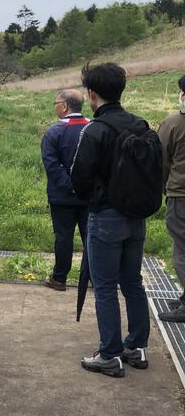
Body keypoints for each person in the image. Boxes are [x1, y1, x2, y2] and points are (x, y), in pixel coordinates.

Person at [71, 62, 151, 377]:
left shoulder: (95, 130)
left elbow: (79, 179)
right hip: (137, 216)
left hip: (105, 215)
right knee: (132, 281)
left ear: (91, 94)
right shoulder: (140, 124)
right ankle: (137, 346)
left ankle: (110, 354)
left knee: (104, 286)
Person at [41, 90, 90, 291]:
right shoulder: (93, 128)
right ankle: (93, 277)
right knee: (91, 237)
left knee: (63, 237)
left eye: (56, 103)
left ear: (64, 106)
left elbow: (52, 166)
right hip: (89, 196)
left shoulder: (54, 132)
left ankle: (59, 278)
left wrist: (70, 187)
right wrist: (85, 187)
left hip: (62, 197)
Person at [157, 74, 185, 322]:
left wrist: (164, 185)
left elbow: (161, 160)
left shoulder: (174, 123)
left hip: (181, 195)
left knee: (182, 250)